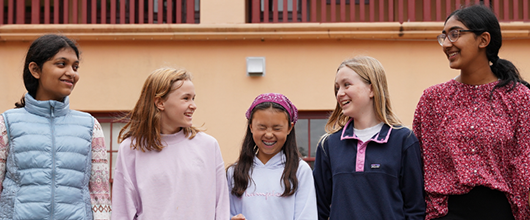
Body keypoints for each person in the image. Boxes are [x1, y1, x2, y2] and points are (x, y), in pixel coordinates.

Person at [413, 4, 530, 220]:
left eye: (455, 34)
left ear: (483, 40)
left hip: (500, 212)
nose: (447, 44)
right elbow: (420, 165)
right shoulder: (432, 100)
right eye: (444, 36)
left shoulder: (519, 98)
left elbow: (524, 168)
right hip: (446, 213)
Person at [0, 34, 111, 219]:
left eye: (75, 67)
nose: (72, 73)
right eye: (62, 64)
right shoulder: (7, 124)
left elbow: (100, 195)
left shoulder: (90, 126)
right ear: (35, 70)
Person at [313, 56, 425, 220]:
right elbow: (318, 209)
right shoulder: (328, 145)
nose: (339, 93)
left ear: (371, 89)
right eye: (337, 88)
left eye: (347, 85)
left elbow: (415, 209)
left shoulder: (404, 140)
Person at [111, 67, 229, 219]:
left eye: (193, 98)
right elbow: (123, 211)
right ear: (160, 102)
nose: (193, 105)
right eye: (186, 98)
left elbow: (221, 206)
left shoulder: (208, 146)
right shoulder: (131, 148)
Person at [227, 93, 317, 220]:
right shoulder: (234, 172)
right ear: (251, 126)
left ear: (289, 128)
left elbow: (307, 215)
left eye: (277, 128)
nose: (269, 134)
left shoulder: (300, 171)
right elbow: (225, 212)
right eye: (262, 127)